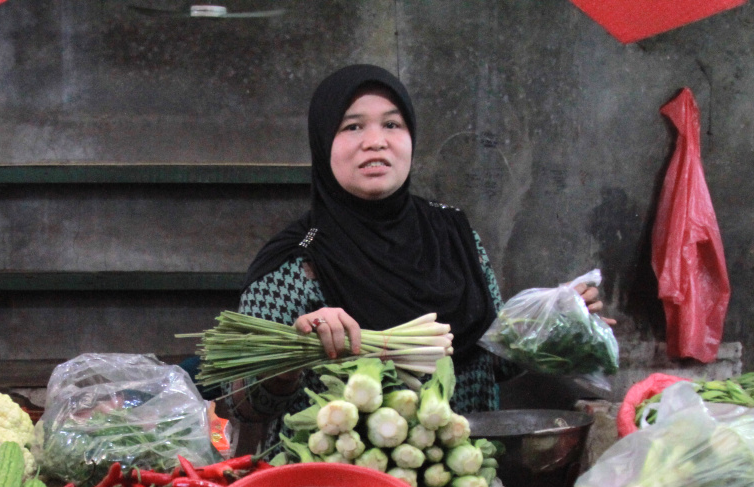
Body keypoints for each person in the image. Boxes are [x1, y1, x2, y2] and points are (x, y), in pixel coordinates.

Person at [222, 63, 604, 438]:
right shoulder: (297, 261)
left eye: (392, 124)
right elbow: (242, 405)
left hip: (462, 473)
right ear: (323, 143)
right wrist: (295, 352)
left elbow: (493, 362)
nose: (376, 141)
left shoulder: (454, 233)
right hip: (339, 481)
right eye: (352, 126)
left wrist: (550, 320)